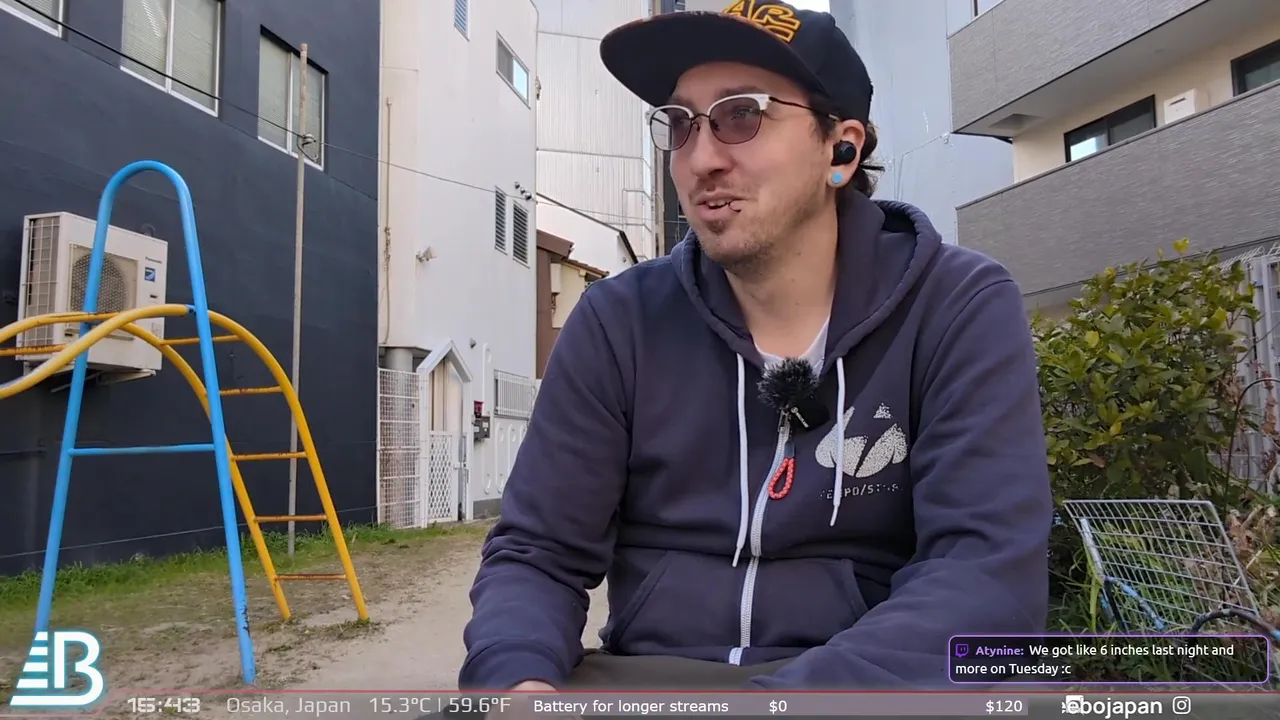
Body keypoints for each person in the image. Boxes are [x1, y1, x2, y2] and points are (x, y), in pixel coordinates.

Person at [460, 0, 1052, 695]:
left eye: (742, 115)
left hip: (866, 685)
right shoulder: (619, 320)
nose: (701, 158)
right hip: (652, 679)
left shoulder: (954, 306)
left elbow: (985, 578)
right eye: (681, 123)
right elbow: (537, 553)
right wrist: (516, 681)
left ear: (841, 149)